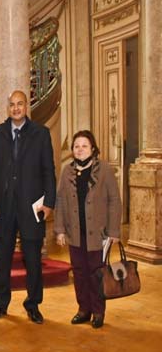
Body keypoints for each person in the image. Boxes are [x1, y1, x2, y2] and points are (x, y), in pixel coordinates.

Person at [0, 90, 56, 324]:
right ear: (8, 108)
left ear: (27, 106)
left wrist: (49, 203)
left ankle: (33, 304)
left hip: (32, 207)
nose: (16, 108)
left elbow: (49, 171)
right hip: (4, 208)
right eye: (12, 105)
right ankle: (0, 303)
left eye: (20, 104)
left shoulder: (41, 134)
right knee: (2, 258)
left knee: (33, 259)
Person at [54, 131, 121, 329]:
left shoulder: (105, 170)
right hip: (75, 233)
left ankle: (98, 311)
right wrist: (59, 230)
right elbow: (60, 201)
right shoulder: (67, 171)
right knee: (80, 272)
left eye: (84, 145)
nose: (80, 149)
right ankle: (83, 309)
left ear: (92, 148)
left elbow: (114, 201)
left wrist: (114, 231)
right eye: (76, 146)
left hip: (98, 234)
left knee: (96, 273)